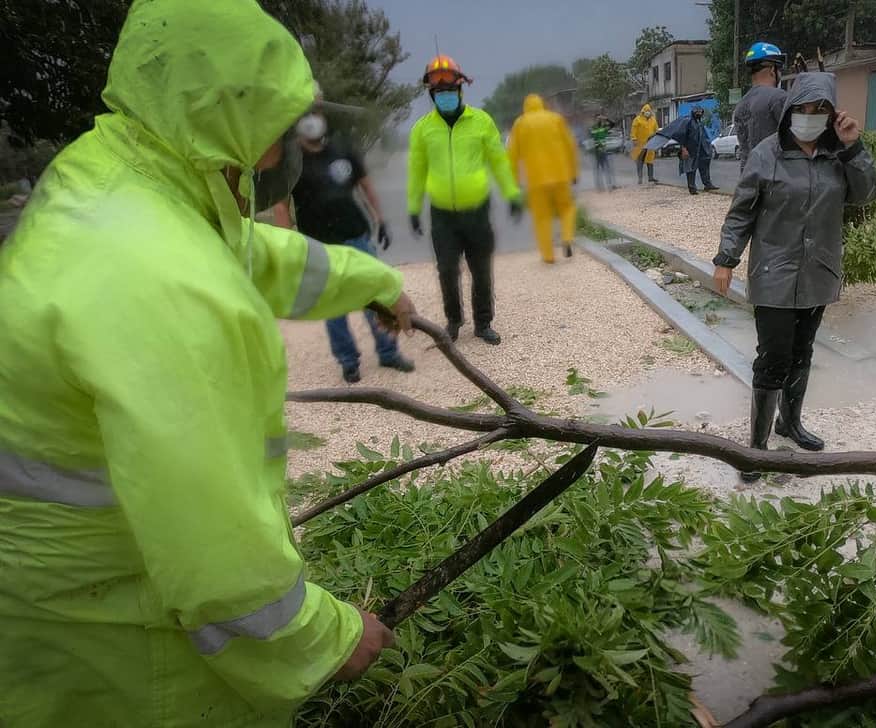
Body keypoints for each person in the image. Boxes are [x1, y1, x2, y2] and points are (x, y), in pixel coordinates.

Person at [0, 1, 408, 724]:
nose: (282, 149)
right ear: (233, 124)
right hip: (124, 649)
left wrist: (375, 282)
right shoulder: (163, 283)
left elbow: (260, 255)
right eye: (275, 127)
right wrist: (324, 636)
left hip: (60, 613)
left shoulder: (124, 177)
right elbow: (212, 543)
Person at [712, 72, 876, 481]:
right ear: (790, 111)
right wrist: (725, 258)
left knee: (803, 352)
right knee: (773, 358)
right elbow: (742, 212)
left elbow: (868, 193)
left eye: (818, 109)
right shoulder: (767, 154)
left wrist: (854, 146)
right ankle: (757, 448)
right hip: (773, 272)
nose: (809, 116)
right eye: (802, 109)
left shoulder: (838, 155)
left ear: (831, 113)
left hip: (818, 271)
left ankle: (790, 423)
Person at [274, 94, 414, 383]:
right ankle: (348, 361)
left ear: (323, 116)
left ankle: (388, 352)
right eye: (304, 115)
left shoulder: (342, 148)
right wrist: (289, 247)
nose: (311, 120)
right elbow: (280, 205)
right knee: (332, 306)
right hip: (319, 245)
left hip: (356, 234)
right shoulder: (290, 161)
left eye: (315, 112)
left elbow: (365, 185)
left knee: (374, 295)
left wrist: (381, 219)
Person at [408, 54, 522, 345]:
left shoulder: (481, 121)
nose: (444, 96)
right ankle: (453, 322)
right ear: (432, 95)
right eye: (439, 92)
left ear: (460, 89)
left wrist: (512, 194)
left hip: (477, 212)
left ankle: (483, 323)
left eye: (449, 91)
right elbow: (417, 171)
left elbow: (499, 162)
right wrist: (412, 208)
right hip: (442, 214)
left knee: (481, 270)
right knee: (446, 270)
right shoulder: (423, 129)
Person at [508, 93, 579, 263]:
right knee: (567, 209)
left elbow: (512, 156)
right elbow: (570, 146)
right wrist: (574, 173)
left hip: (536, 180)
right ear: (542, 104)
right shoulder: (556, 119)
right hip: (561, 175)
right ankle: (567, 238)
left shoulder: (520, 123)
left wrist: (515, 183)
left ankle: (548, 256)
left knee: (542, 218)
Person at [734, 42, 789, 172]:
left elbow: (744, 151)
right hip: (776, 179)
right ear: (772, 70)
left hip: (749, 178)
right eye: (779, 69)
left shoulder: (740, 106)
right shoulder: (779, 97)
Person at [680, 105, 717, 194]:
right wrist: (684, 148)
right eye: (697, 112)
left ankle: (707, 185)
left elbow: (704, 136)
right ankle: (692, 188)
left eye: (700, 112)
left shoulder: (700, 123)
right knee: (691, 169)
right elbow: (682, 136)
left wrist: (708, 146)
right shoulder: (688, 122)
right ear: (693, 113)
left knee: (704, 167)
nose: (699, 114)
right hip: (691, 149)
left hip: (701, 149)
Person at [630, 103, 660, 184]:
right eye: (646, 111)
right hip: (640, 144)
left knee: (650, 161)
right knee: (640, 161)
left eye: (649, 111)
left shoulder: (653, 120)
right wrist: (634, 139)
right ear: (643, 112)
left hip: (650, 143)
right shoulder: (637, 120)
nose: (648, 112)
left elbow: (656, 130)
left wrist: (656, 139)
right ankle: (640, 178)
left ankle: (651, 177)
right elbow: (633, 130)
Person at [589, 113, 618, 191]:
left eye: (600, 118)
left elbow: (613, 124)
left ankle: (610, 185)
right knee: (598, 169)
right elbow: (591, 139)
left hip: (604, 150)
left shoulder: (604, 127)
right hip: (597, 151)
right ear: (595, 120)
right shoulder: (592, 128)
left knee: (607, 168)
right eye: (597, 118)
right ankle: (599, 186)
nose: (599, 120)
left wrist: (606, 118)